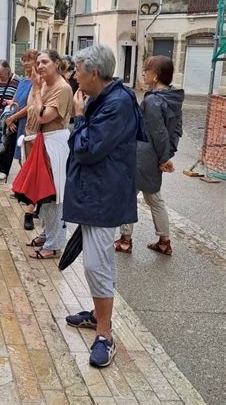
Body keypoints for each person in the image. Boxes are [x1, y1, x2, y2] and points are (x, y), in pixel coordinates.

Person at [63, 45, 143, 368]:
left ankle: (105, 335)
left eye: (78, 72)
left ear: (93, 74)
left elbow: (87, 150)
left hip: (103, 197)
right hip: (94, 194)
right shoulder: (103, 97)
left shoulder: (117, 104)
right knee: (101, 262)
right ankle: (98, 314)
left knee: (96, 265)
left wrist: (79, 119)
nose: (74, 77)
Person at [115, 55, 184, 256]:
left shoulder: (153, 101)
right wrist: (168, 153)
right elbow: (177, 129)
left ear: (156, 76)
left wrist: (164, 158)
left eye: (146, 69)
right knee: (154, 198)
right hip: (153, 157)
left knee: (129, 196)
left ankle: (126, 240)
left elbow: (158, 132)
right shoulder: (173, 97)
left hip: (144, 157)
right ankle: (163, 241)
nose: (143, 72)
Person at [22, 50, 73, 259]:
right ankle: (47, 233)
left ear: (56, 63)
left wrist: (35, 88)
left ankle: (54, 244)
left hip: (54, 146)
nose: (40, 66)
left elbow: (43, 116)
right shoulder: (44, 83)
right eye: (39, 62)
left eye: (45, 62)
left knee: (53, 195)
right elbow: (33, 110)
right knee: (41, 192)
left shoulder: (62, 88)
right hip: (40, 144)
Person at [5, 49, 38, 230]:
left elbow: (30, 106)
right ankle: (24, 190)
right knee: (20, 158)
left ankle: (30, 195)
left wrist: (14, 117)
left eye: (29, 60)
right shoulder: (22, 79)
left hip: (28, 122)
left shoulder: (36, 81)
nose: (26, 63)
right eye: (24, 60)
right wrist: (11, 113)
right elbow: (18, 100)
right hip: (18, 120)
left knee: (28, 160)